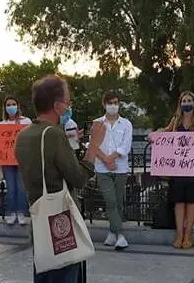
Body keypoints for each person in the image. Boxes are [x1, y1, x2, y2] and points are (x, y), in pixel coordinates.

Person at [15, 75, 95, 282]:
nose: (69, 105)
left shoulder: (23, 135)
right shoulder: (53, 135)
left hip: (39, 219)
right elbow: (78, 178)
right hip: (60, 223)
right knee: (65, 274)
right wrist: (94, 145)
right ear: (57, 105)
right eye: (68, 101)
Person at [155, 91, 194, 249]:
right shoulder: (176, 120)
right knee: (178, 202)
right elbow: (166, 131)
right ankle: (179, 234)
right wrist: (155, 135)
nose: (186, 103)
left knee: (192, 202)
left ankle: (188, 235)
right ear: (180, 103)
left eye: (189, 100)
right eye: (184, 100)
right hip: (178, 168)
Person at [90, 91, 132, 250]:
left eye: (116, 102)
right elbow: (94, 145)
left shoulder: (126, 124)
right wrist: (106, 160)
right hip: (102, 168)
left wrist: (113, 157)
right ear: (104, 104)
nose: (113, 106)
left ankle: (112, 232)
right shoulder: (97, 123)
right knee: (110, 200)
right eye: (110, 103)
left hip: (120, 168)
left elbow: (125, 146)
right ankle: (120, 234)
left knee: (118, 201)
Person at [0, 96, 33, 225]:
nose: (11, 107)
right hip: (7, 161)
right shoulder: (2, 124)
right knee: (11, 188)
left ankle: (21, 213)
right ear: (5, 108)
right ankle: (11, 212)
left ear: (18, 106)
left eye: (13, 104)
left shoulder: (27, 122)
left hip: (22, 160)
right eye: (8, 105)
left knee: (21, 187)